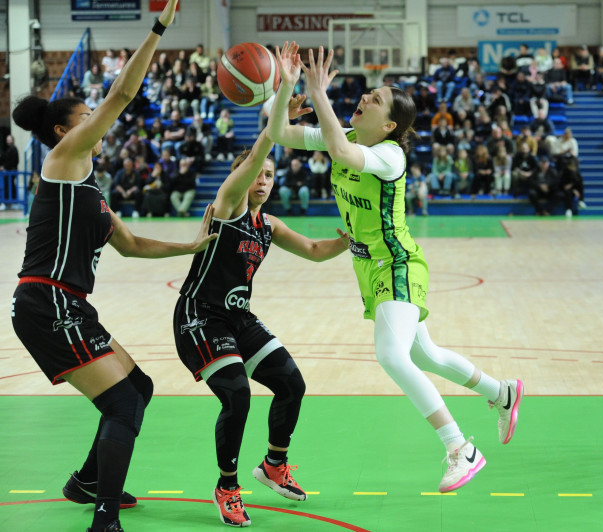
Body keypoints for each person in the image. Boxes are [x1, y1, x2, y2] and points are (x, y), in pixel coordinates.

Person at [267, 44, 524, 493]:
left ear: (389, 125)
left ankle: (460, 448)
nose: (365, 97)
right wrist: (288, 88)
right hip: (370, 269)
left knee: (391, 355)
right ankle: (502, 392)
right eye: (369, 93)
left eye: (377, 99)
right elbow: (279, 135)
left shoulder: (391, 156)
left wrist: (318, 92)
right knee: (427, 356)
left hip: (398, 264)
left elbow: (342, 153)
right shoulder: (346, 134)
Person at [9, 4, 218, 532]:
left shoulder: (90, 188)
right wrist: (159, 28)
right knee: (123, 405)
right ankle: (103, 519)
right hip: (47, 301)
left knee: (138, 388)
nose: (96, 121)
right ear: (64, 130)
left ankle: (86, 482)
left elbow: (131, 244)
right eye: (86, 116)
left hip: (68, 304)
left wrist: (191, 247)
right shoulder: (63, 161)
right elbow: (122, 94)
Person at [173, 84, 348, 527]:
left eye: (270, 175)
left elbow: (313, 249)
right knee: (237, 395)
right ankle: (227, 487)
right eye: (257, 174)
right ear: (240, 178)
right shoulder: (227, 206)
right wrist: (277, 122)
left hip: (237, 317)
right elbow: (253, 158)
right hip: (200, 316)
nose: (263, 180)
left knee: (292, 384)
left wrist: (350, 241)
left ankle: (274, 464)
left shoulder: (268, 225)